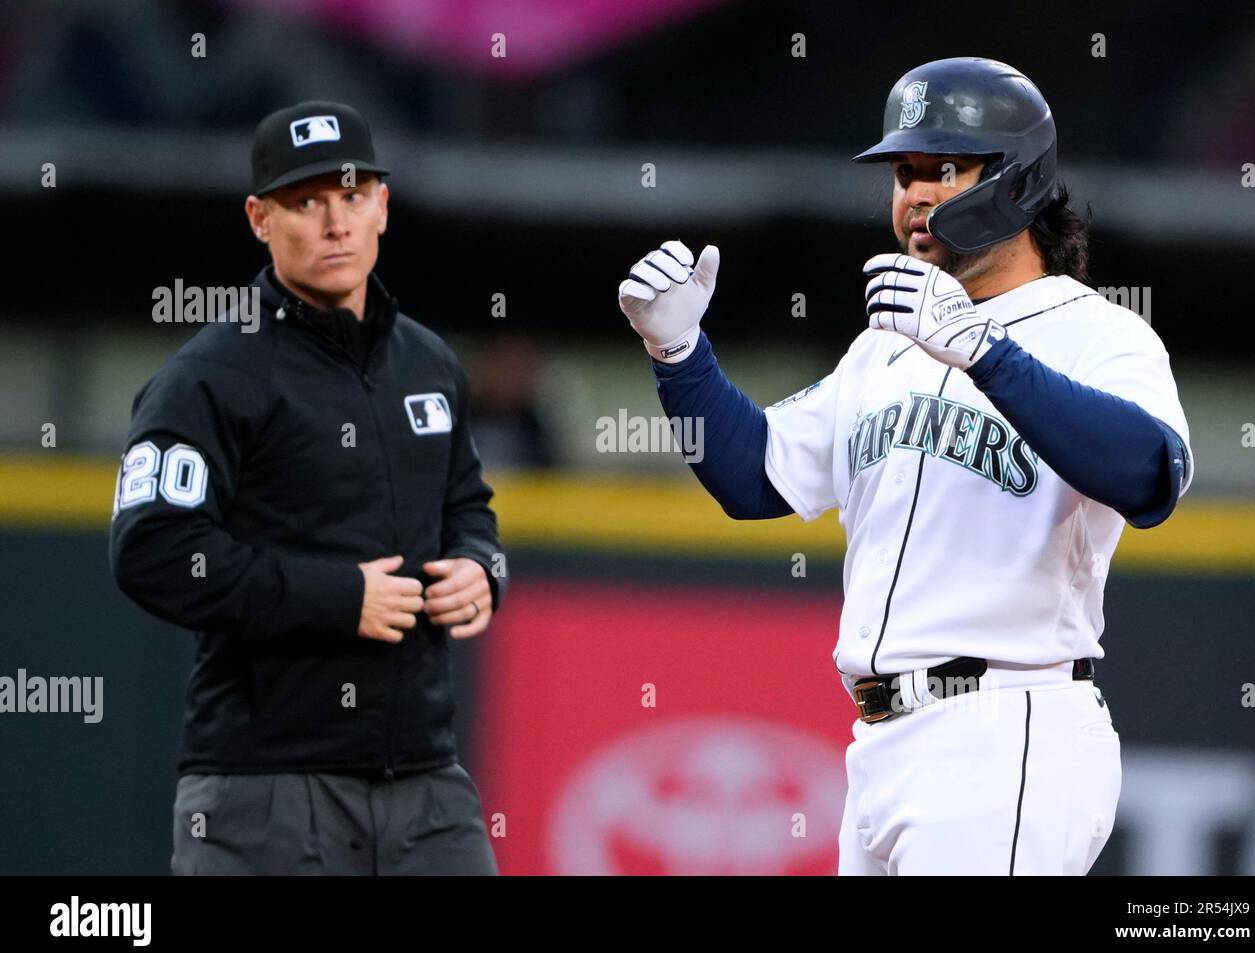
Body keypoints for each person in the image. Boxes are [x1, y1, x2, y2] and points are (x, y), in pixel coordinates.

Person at [616, 58, 1192, 875]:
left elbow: (1149, 480)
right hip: (881, 743)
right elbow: (754, 480)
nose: (916, 193)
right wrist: (678, 354)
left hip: (1006, 727)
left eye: (945, 169)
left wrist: (985, 353)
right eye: (904, 172)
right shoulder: (884, 345)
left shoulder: (1098, 333)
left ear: (1019, 183)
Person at [110, 100, 505, 875]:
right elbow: (152, 548)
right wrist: (334, 598)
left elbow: (466, 506)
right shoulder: (210, 375)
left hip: (425, 786)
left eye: (353, 197)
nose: (336, 224)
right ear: (259, 218)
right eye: (306, 202)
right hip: (264, 790)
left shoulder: (428, 363)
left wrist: (480, 567)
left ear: (382, 206)